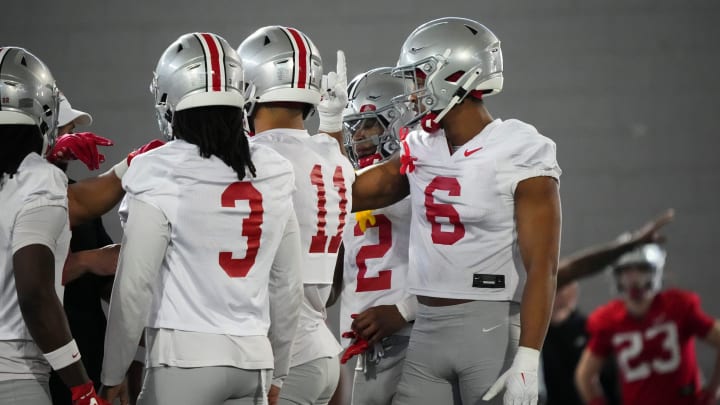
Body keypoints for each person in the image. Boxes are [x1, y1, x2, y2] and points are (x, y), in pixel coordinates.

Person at [350, 17, 562, 405]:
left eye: (417, 78)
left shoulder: (520, 148)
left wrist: (529, 356)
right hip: (427, 332)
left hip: (492, 330)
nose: (411, 92)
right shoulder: (421, 144)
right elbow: (356, 193)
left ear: (455, 75)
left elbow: (544, 266)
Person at [98, 32, 303, 405]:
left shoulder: (158, 169)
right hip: (253, 361)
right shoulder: (273, 169)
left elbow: (133, 286)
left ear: (170, 100)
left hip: (184, 360)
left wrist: (113, 373)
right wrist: (280, 370)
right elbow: (288, 285)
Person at [238, 25, 355, 405]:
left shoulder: (257, 161)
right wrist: (333, 123)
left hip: (282, 352)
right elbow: (321, 153)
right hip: (321, 343)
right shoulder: (333, 156)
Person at [0, 46, 110, 405]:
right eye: (65, 126)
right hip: (21, 366)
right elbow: (34, 292)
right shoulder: (42, 182)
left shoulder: (40, 183)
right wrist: (83, 387)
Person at [328, 67, 416, 405]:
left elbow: (450, 268)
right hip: (358, 344)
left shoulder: (418, 176)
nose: (359, 136)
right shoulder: (351, 186)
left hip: (414, 333)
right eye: (353, 127)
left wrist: (404, 310)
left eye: (369, 124)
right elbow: (332, 287)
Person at [45, 92, 120, 405]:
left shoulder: (79, 195)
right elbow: (21, 282)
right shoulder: (13, 194)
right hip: (38, 363)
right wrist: (82, 262)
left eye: (72, 130)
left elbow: (105, 276)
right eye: (64, 130)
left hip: (89, 360)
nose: (70, 140)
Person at [575, 243, 720, 405]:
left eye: (641, 270)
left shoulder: (677, 307)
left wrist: (713, 390)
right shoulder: (610, 319)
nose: (633, 279)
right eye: (627, 271)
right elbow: (585, 375)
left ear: (654, 271)